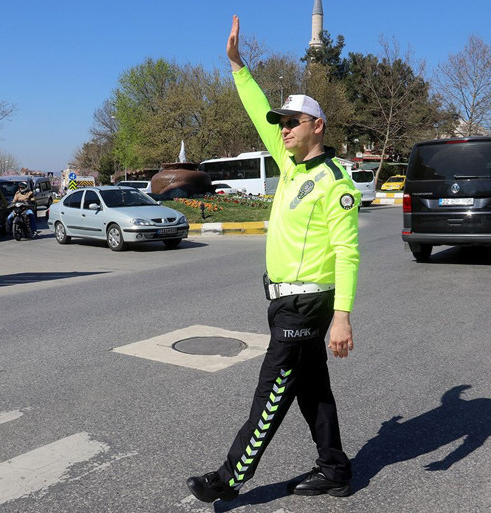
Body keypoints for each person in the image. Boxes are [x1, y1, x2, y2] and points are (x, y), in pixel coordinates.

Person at [185, 15, 360, 503]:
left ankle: (228, 478)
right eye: (281, 124)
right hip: (282, 301)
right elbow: (256, 106)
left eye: (292, 122)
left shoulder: (335, 182)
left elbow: (348, 251)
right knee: (311, 388)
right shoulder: (288, 164)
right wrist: (238, 66)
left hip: (307, 304)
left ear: (317, 125)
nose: (282, 129)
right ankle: (335, 467)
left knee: (272, 392)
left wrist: (342, 316)